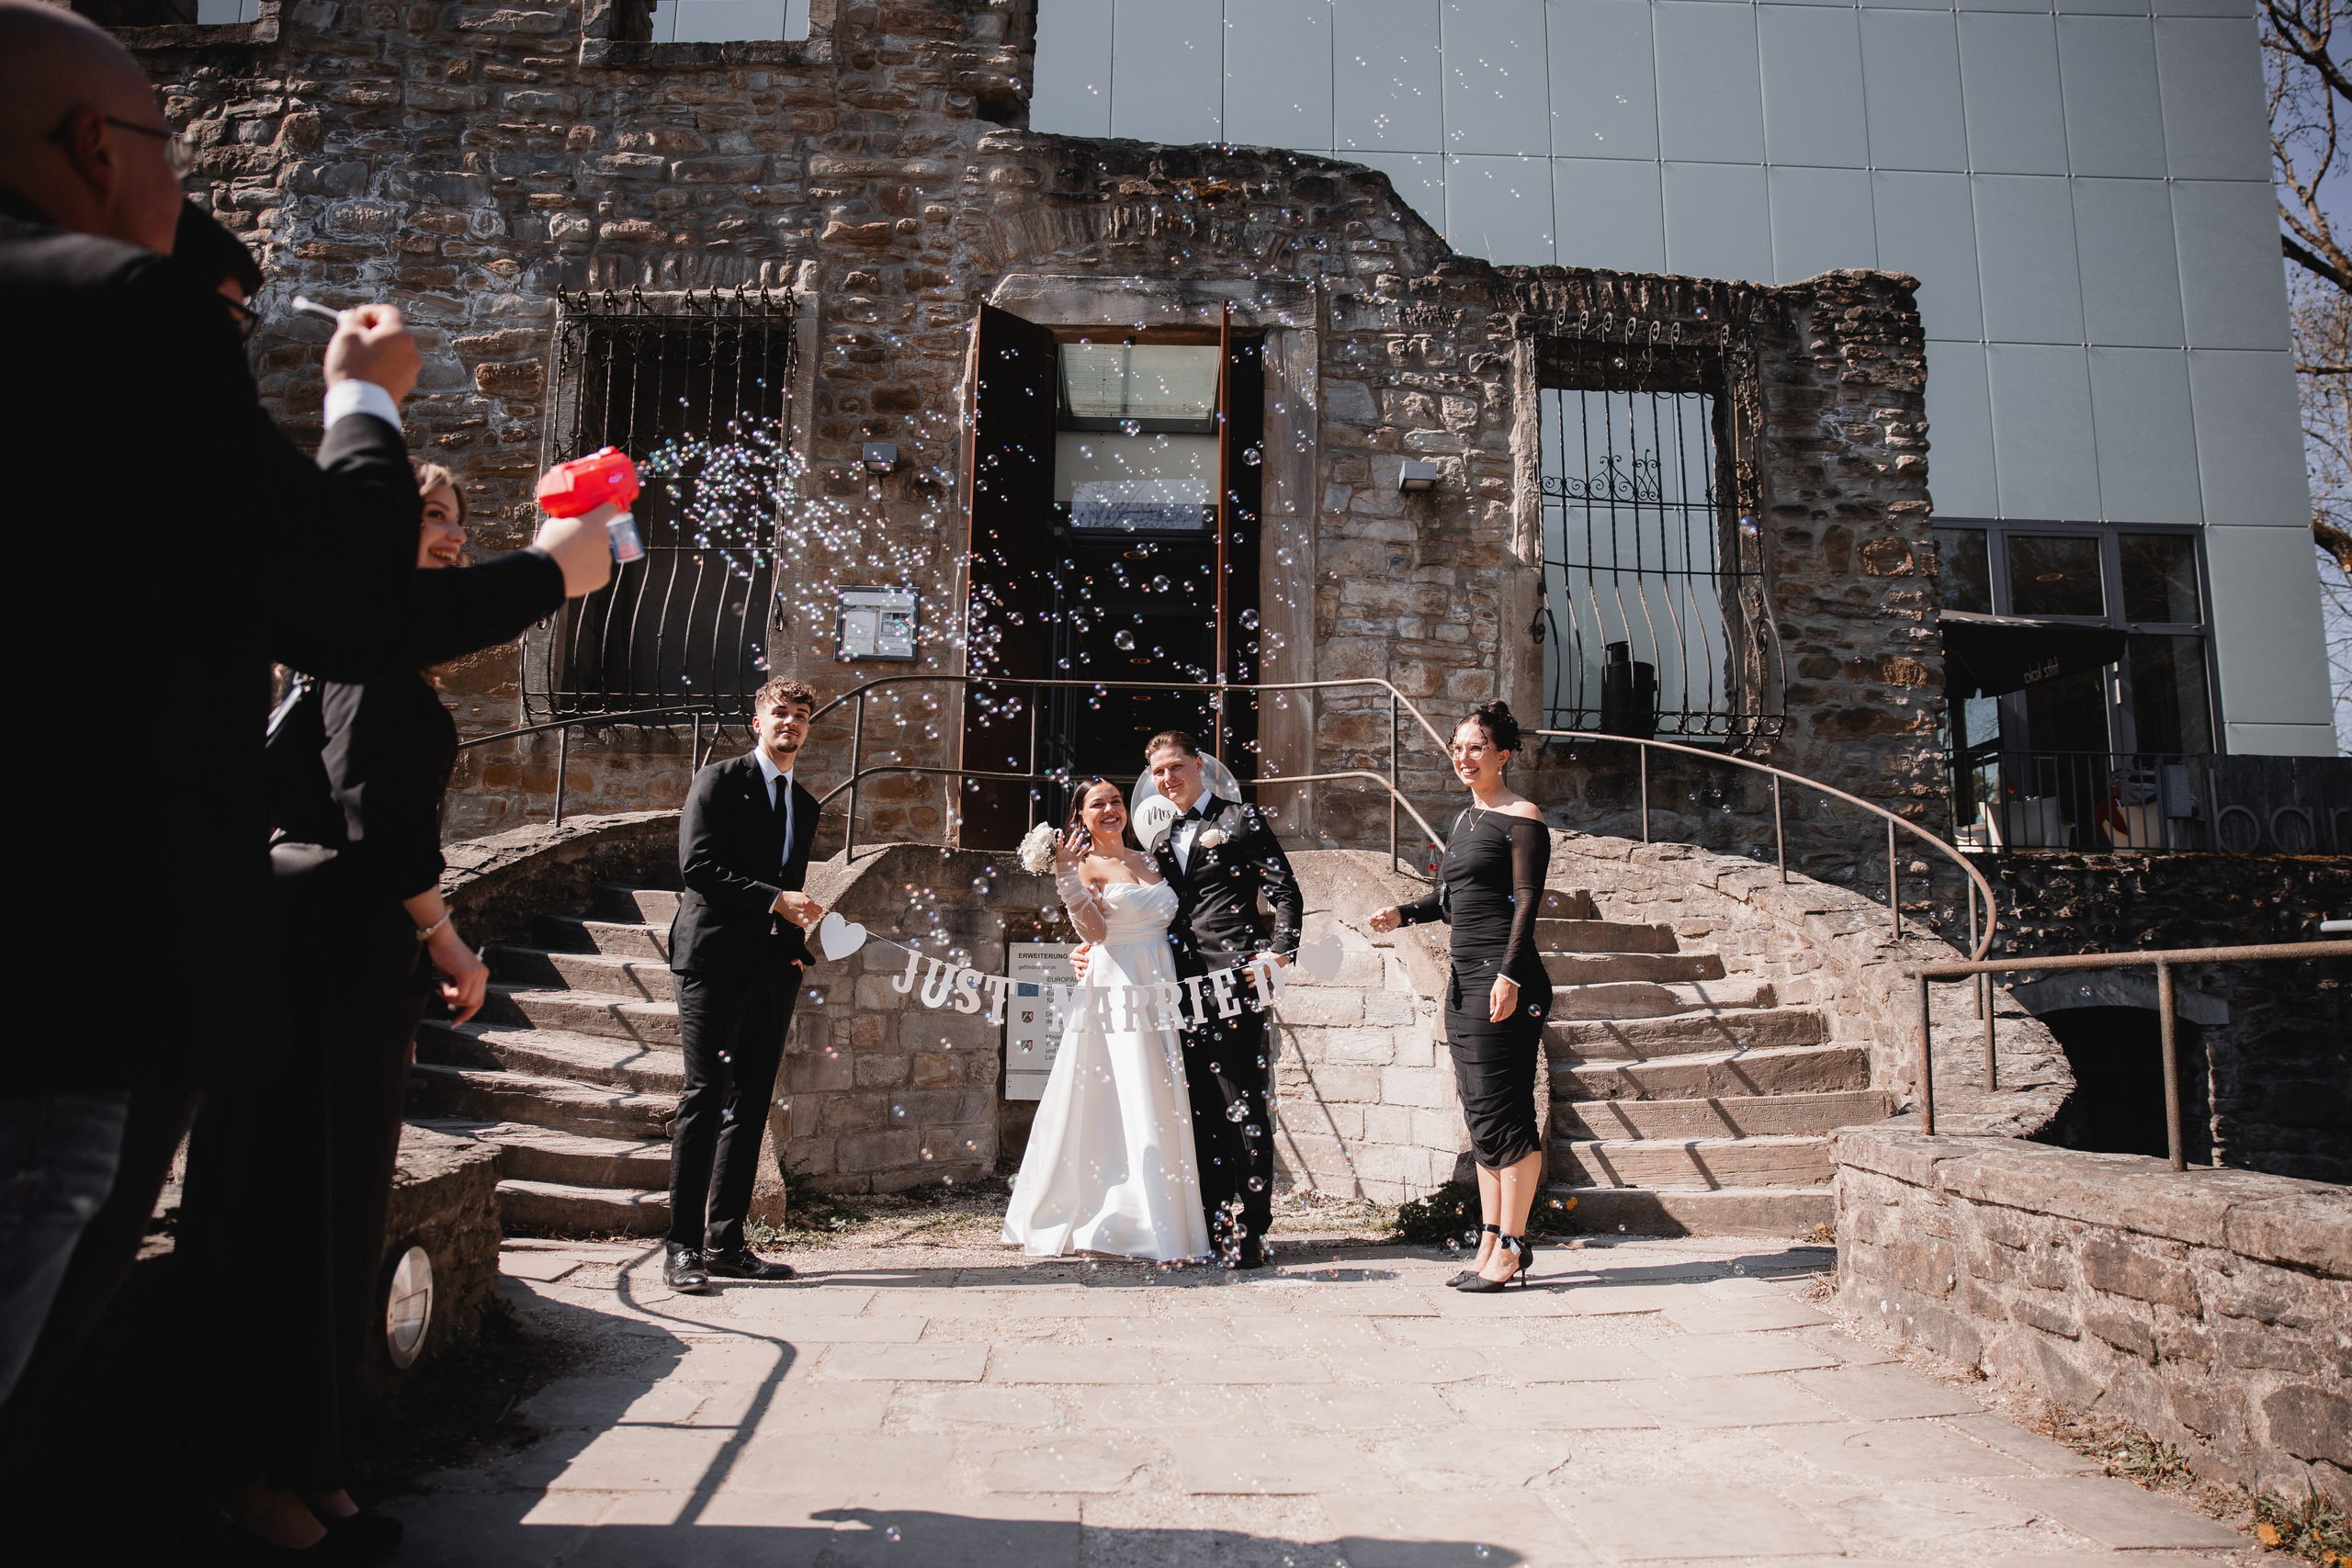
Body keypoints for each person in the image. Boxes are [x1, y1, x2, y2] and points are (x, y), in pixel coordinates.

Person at [0, 2, 612, 1401]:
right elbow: (345, 608)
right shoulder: (114, 307)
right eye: (163, 143)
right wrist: (365, 407)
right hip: (68, 965)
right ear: (96, 144)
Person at [177, 457, 559, 1558]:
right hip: (316, 948)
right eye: (428, 519)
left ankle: (311, 1461)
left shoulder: (369, 655)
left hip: (344, 948)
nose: (449, 536)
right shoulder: (356, 658)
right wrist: (448, 940)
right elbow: (376, 825)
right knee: (286, 1203)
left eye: (454, 520)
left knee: (338, 1205)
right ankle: (251, 1481)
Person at [1368, 702, 1553, 1292]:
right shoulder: (1464, 822)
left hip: (1505, 978)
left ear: (1502, 753)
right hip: (1465, 979)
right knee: (1481, 1116)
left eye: (1476, 747)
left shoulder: (1522, 818)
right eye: (1457, 747)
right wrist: (1403, 913)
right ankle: (1489, 1242)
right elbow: (1448, 901)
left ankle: (1514, 1248)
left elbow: (1526, 903)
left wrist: (1510, 975)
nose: (1464, 757)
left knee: (1509, 1115)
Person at [1113, 732, 1302, 1269]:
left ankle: (1256, 1227)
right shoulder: (1156, 838)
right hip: (1178, 988)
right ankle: (1215, 1219)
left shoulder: (1240, 820)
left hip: (1234, 982)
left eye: (1177, 767)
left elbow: (1285, 891)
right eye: (1159, 773)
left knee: (1241, 1102)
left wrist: (1279, 953)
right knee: (1197, 1106)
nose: (1169, 779)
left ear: (1199, 765)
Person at [664, 677, 829, 1293]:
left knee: (752, 1099)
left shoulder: (804, 803)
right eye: (779, 712)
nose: (790, 722)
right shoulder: (718, 780)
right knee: (707, 1094)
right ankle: (682, 1247)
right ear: (757, 719)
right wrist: (772, 900)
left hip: (771, 969)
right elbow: (696, 866)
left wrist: (792, 952)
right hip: (712, 959)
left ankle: (726, 1240)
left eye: (801, 715)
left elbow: (791, 884)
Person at [1002, 779, 1211, 1262]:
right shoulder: (1084, 866)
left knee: (1160, 1091)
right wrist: (1066, 876)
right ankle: (1115, 1216)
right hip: (1116, 985)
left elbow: (1176, 921)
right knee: (1117, 1090)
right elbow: (1095, 932)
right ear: (1082, 816)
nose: (1112, 809)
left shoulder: (1152, 858)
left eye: (1117, 800)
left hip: (1161, 981)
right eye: (1099, 804)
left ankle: (1165, 1217)